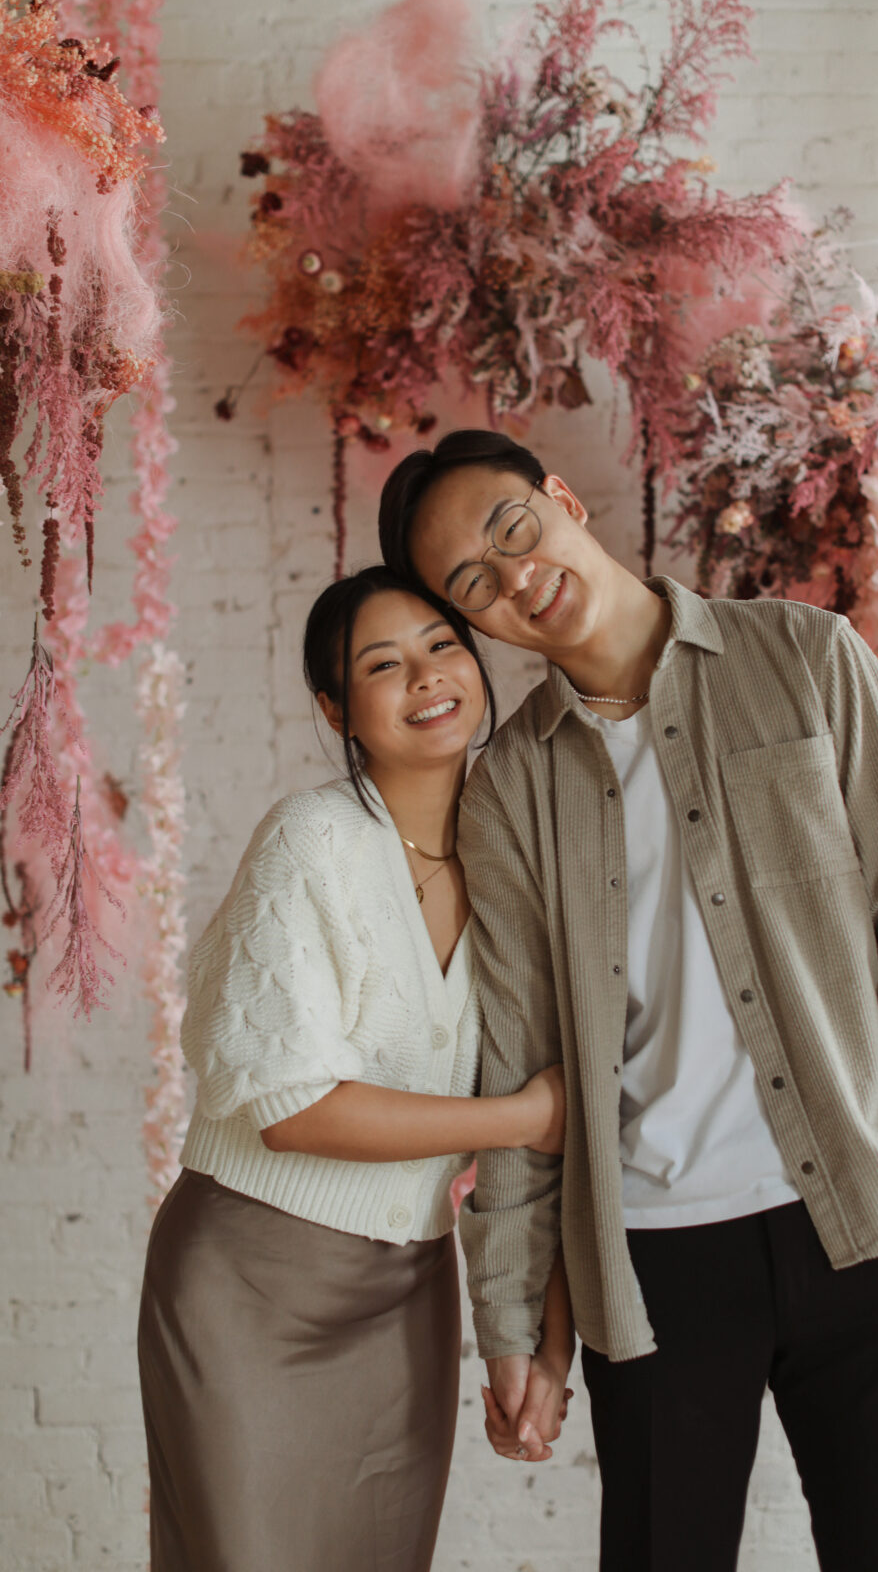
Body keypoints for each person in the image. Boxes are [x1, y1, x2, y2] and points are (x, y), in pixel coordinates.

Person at [377, 430, 878, 1572]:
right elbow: (520, 1063)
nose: (513, 578)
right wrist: (512, 1319)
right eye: (471, 582)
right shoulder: (509, 788)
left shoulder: (803, 655)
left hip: (862, 1220)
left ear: (557, 499)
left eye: (512, 530)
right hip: (654, 1261)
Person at [137, 565, 566, 1572]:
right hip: (248, 1280)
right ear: (338, 708)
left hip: (406, 1287)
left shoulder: (517, 856)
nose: (425, 676)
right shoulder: (310, 841)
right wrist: (521, 1115)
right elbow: (295, 1111)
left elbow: (557, 1129)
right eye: (383, 664)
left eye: (442, 646)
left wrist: (542, 1340)